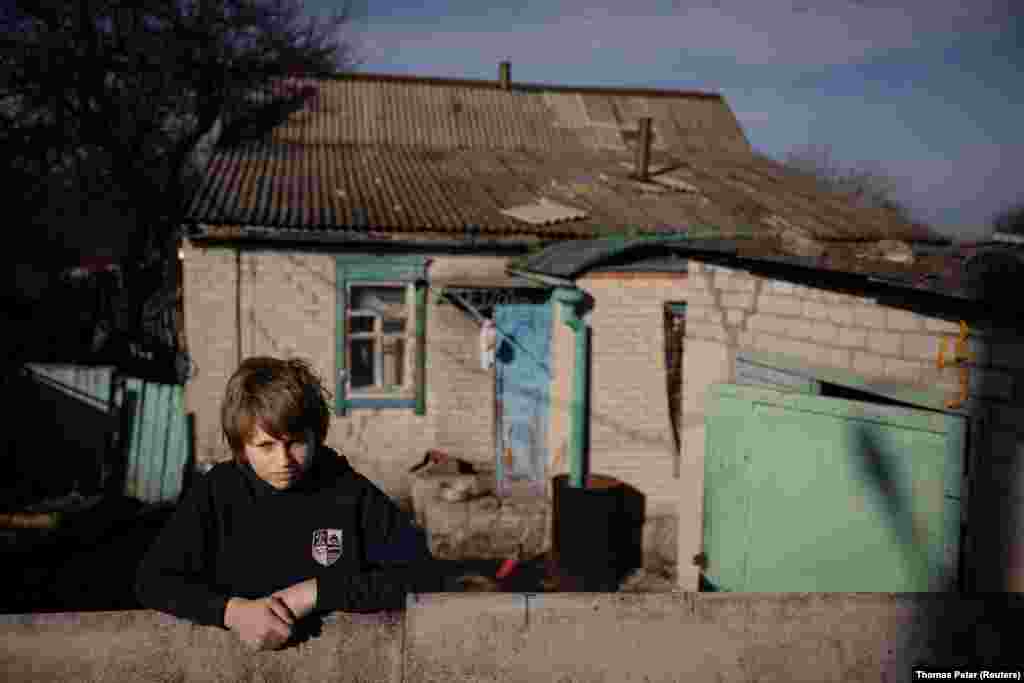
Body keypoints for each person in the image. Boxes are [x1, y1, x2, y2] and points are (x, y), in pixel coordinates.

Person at [135, 356, 440, 651]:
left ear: (316, 436)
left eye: (295, 442)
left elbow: (423, 575)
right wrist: (231, 612)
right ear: (242, 446)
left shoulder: (347, 491)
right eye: (266, 446)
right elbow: (153, 580)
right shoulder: (217, 492)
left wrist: (316, 592)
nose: (283, 461)